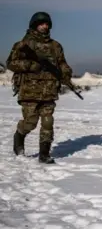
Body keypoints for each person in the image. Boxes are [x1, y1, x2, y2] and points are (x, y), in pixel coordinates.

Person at [8, 12, 73, 164]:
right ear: (34, 25)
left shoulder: (55, 46)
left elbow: (62, 63)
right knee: (30, 122)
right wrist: (30, 65)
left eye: (47, 24)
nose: (44, 26)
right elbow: (11, 62)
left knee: (48, 122)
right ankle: (19, 136)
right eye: (41, 23)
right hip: (30, 90)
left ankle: (44, 154)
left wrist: (65, 73)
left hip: (49, 90)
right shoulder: (23, 44)